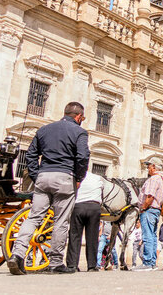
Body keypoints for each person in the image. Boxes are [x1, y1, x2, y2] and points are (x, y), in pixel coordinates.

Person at [7, 102, 90, 275]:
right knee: (61, 221)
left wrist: (37, 175)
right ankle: (55, 262)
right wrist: (79, 178)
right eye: (83, 118)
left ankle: (17, 255)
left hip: (43, 177)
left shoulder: (44, 129)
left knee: (33, 217)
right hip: (65, 178)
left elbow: (30, 154)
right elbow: (82, 157)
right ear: (79, 117)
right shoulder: (79, 132)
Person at [133, 156, 163, 271]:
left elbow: (150, 196)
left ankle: (147, 263)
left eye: (149, 166)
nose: (148, 168)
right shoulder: (162, 179)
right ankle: (152, 262)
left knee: (147, 236)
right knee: (152, 236)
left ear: (154, 166)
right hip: (156, 210)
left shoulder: (154, 179)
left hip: (149, 209)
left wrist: (143, 207)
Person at [66, 171, 103, 271]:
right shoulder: (98, 178)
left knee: (74, 235)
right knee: (92, 237)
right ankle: (92, 265)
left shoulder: (75, 176)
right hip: (94, 206)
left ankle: (72, 264)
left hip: (79, 205)